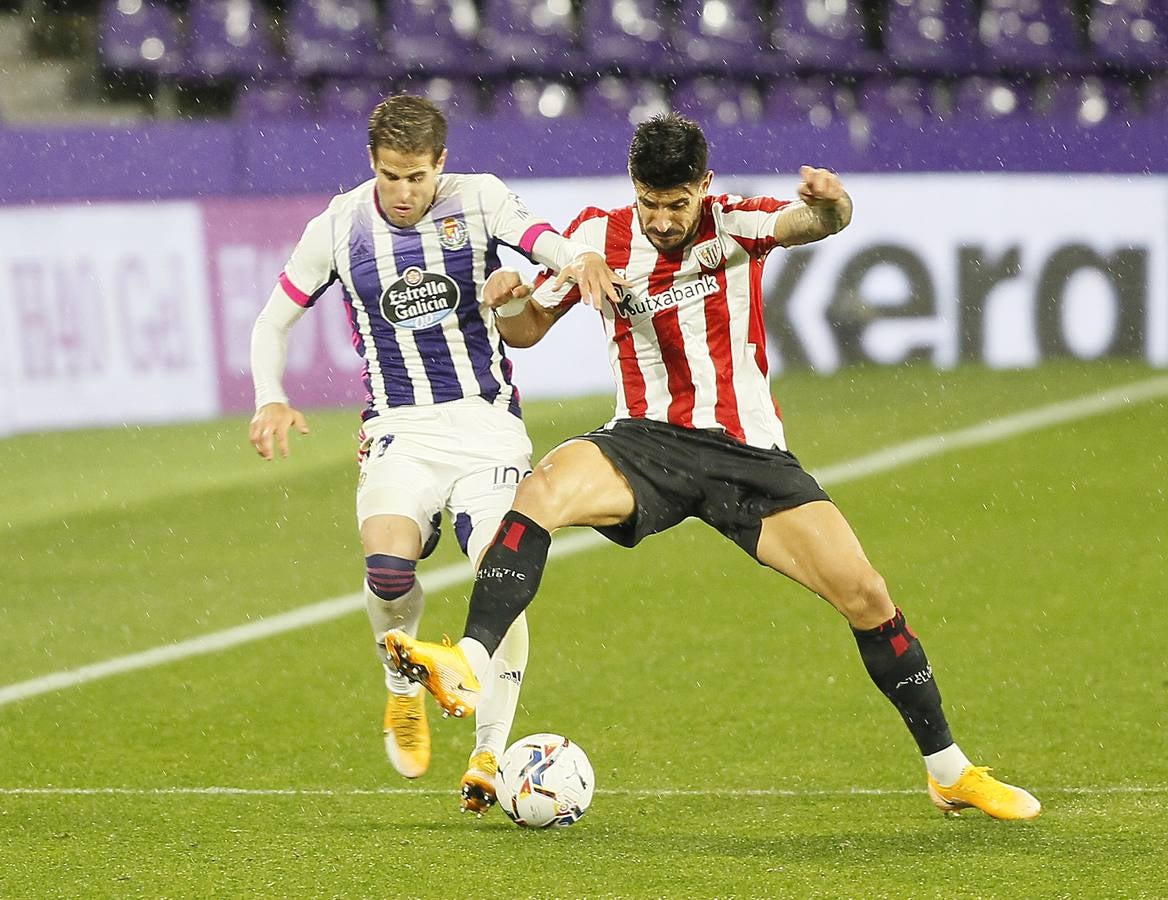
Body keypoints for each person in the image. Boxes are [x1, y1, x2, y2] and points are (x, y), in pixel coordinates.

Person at [384, 113, 1041, 821]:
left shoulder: (735, 225)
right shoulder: (600, 239)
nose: (662, 221)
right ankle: (469, 662)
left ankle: (949, 772)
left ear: (706, 185)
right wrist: (509, 300)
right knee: (541, 488)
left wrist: (832, 202)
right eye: (648, 203)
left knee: (867, 595)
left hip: (746, 455)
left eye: (676, 203)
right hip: (645, 443)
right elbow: (528, 331)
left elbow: (815, 224)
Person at [247, 94, 624, 815]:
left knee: (499, 573)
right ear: (372, 164)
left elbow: (539, 234)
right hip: (400, 429)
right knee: (388, 569)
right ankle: (401, 694)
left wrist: (576, 258)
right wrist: (270, 394)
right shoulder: (340, 224)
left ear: (440, 164)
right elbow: (275, 316)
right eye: (391, 176)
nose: (404, 193)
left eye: (417, 177)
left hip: (486, 426)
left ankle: (488, 752)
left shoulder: (477, 200)